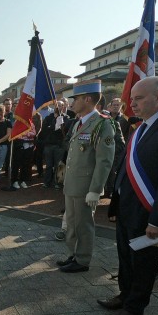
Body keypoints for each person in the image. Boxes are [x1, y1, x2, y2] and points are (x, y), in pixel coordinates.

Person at [98, 76, 158, 315]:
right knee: (125, 256)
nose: (133, 105)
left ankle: (134, 308)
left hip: (151, 212)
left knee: (144, 263)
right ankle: (124, 295)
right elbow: (126, 169)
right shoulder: (140, 127)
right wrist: (116, 204)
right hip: (129, 208)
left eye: (139, 98)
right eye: (132, 100)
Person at [57, 80, 115, 274]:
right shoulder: (80, 123)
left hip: (86, 186)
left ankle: (82, 260)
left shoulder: (102, 125)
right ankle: (74, 254)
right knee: (72, 224)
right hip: (73, 184)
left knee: (83, 225)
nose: (72, 103)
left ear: (88, 99)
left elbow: (104, 161)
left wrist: (95, 190)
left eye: (76, 99)